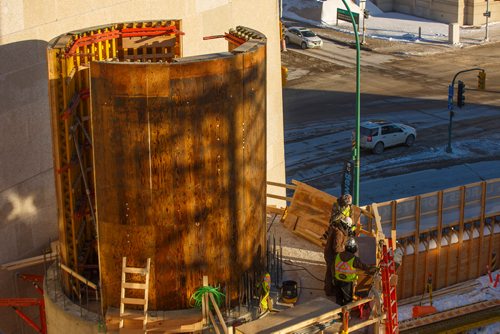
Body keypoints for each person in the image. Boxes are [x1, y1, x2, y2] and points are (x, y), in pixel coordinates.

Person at [333, 238, 377, 306]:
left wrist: (333, 278)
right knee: (348, 301)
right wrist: (375, 269)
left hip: (337, 281)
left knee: (338, 299)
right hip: (347, 283)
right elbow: (365, 267)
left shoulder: (337, 256)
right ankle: (345, 316)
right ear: (354, 248)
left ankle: (338, 314)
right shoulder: (354, 259)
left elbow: (332, 268)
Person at [323, 216, 352, 296]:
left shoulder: (339, 228)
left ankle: (328, 287)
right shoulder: (338, 232)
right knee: (330, 273)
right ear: (345, 225)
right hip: (331, 255)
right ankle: (329, 291)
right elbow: (336, 248)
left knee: (330, 272)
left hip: (330, 254)